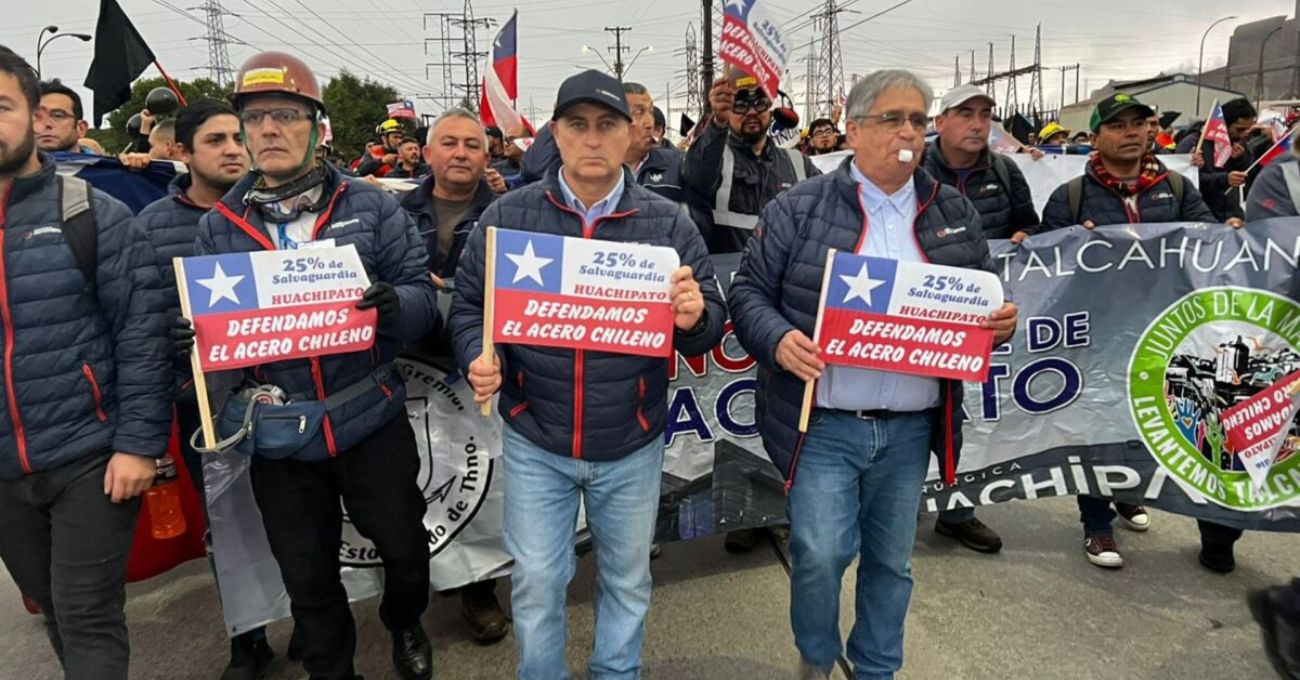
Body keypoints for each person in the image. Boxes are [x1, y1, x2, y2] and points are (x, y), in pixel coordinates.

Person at [728, 69, 1017, 680]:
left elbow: (984, 293)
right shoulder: (797, 208)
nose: (907, 131)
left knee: (892, 562)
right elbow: (749, 292)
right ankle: (815, 655)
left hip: (911, 428)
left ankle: (877, 667)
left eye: (917, 118)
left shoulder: (954, 210)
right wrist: (779, 341)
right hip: (826, 424)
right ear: (852, 129)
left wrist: (999, 320)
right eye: (892, 118)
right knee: (820, 555)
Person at [449, 69, 725, 680]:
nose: (592, 138)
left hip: (631, 438)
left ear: (631, 134)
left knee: (627, 579)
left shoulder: (668, 222)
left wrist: (695, 316)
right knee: (539, 581)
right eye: (577, 125)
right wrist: (477, 351)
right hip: (535, 436)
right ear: (556, 133)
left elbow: (710, 323)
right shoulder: (508, 215)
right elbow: (470, 306)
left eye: (607, 125)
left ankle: (615, 674)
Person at [175, 51, 439, 680]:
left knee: (405, 549)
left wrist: (395, 303)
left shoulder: (372, 207)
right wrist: (198, 337)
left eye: (285, 115)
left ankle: (405, 620)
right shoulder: (220, 227)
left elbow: (424, 301)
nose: (268, 128)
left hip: (368, 417)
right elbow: (212, 336)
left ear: (316, 126)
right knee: (307, 571)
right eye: (255, 116)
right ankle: (332, 668)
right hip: (282, 437)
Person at [0, 46, 172, 679]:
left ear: (35, 114)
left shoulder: (93, 214)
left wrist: (138, 447)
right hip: (4, 477)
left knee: (88, 614)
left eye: (2, 106)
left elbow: (142, 335)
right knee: (50, 608)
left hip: (89, 457)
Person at [1037, 93, 1234, 568]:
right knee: (1095, 426)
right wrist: (1070, 246)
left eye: (1139, 124)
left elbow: (1208, 243)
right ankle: (1097, 526)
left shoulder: (1179, 189)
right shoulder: (1071, 198)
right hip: (1098, 334)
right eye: (1118, 125)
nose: (1131, 132)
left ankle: (1129, 492)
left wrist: (1228, 231)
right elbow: (1044, 268)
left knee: (1150, 424)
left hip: (1167, 331)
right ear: (1096, 137)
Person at [134, 98, 276, 679]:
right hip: (204, 409)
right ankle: (249, 636)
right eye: (215, 140)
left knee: (300, 521)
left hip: (283, 401)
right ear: (180, 152)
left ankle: (316, 618)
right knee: (229, 527)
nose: (233, 149)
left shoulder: (280, 211)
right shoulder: (149, 229)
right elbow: (138, 324)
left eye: (237, 138)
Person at [921, 84, 1037, 552]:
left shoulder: (1005, 171)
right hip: (925, 311)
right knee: (919, 414)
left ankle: (958, 511)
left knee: (971, 418)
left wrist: (1030, 236)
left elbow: (1031, 224)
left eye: (985, 114)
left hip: (984, 318)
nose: (977, 123)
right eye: (965, 113)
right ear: (940, 122)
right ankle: (893, 509)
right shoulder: (913, 171)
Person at [683, 70, 821, 255]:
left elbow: (828, 211)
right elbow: (696, 176)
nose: (751, 112)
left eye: (760, 102)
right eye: (740, 104)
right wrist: (718, 123)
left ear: (771, 108)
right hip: (729, 278)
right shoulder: (715, 159)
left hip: (783, 278)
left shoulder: (799, 164)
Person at [1181, 98, 1257, 223]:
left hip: (1231, 216)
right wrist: (1225, 179)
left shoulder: (1240, 144)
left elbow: (1251, 176)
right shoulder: (1193, 143)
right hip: (1201, 216)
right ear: (1225, 123)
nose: (1244, 134)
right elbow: (1185, 181)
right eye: (1240, 129)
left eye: (1248, 130)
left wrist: (1241, 160)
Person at [624, 82, 686, 203]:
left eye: (651, 112)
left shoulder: (677, 164)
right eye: (638, 113)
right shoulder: (595, 171)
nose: (649, 124)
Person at [35, 79, 89, 153]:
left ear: (81, 128)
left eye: (57, 115)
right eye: (35, 117)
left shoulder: (104, 164)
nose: (47, 124)